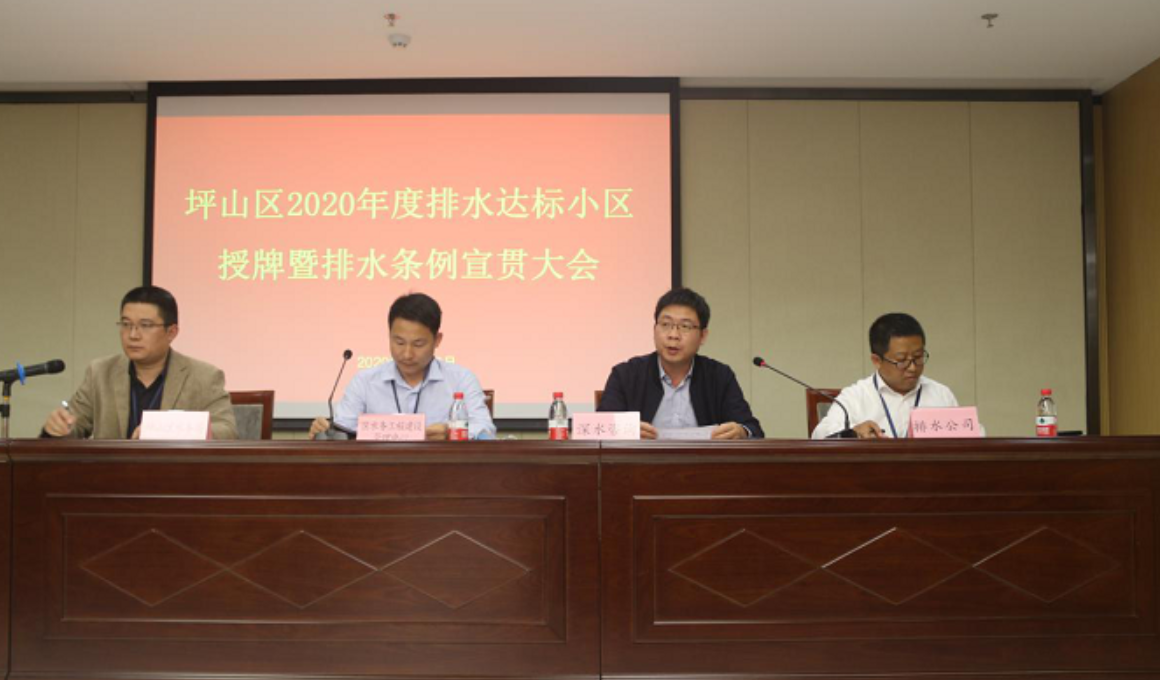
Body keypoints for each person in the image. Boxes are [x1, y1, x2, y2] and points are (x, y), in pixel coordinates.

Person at [42, 286, 238, 440]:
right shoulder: (100, 372)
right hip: (113, 475)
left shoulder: (203, 376)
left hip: (174, 476)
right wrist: (59, 427)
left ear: (171, 332)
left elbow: (226, 431)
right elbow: (75, 424)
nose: (133, 335)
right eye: (126, 324)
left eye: (145, 325)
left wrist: (163, 431)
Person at [309, 293, 496, 440]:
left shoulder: (461, 379)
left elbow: (485, 431)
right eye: (399, 342)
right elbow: (343, 431)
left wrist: (451, 432)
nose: (407, 354)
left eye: (418, 344)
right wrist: (324, 431)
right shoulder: (365, 382)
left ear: (437, 340)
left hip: (441, 473)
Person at [598, 287, 763, 439]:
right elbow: (596, 429)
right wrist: (625, 430)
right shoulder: (626, 374)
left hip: (703, 462)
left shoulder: (719, 376)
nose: (673, 335)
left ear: (703, 336)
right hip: (640, 462)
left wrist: (741, 432)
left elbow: (752, 429)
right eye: (665, 324)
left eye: (685, 326)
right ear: (654, 329)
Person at [811, 312, 958, 439]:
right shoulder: (856, 397)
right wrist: (853, 433)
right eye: (901, 360)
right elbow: (819, 436)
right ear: (877, 361)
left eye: (918, 357)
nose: (912, 368)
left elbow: (967, 439)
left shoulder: (941, 395)